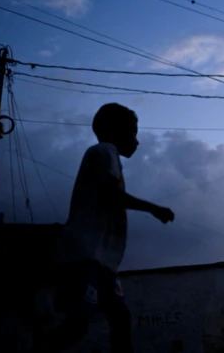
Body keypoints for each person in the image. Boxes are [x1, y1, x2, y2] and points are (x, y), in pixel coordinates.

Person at [30, 103, 175, 353]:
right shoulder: (103, 151)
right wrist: (154, 208)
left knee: (118, 319)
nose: (137, 141)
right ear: (114, 129)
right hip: (84, 256)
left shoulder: (110, 159)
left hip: (102, 263)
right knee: (79, 324)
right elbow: (112, 196)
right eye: (133, 131)